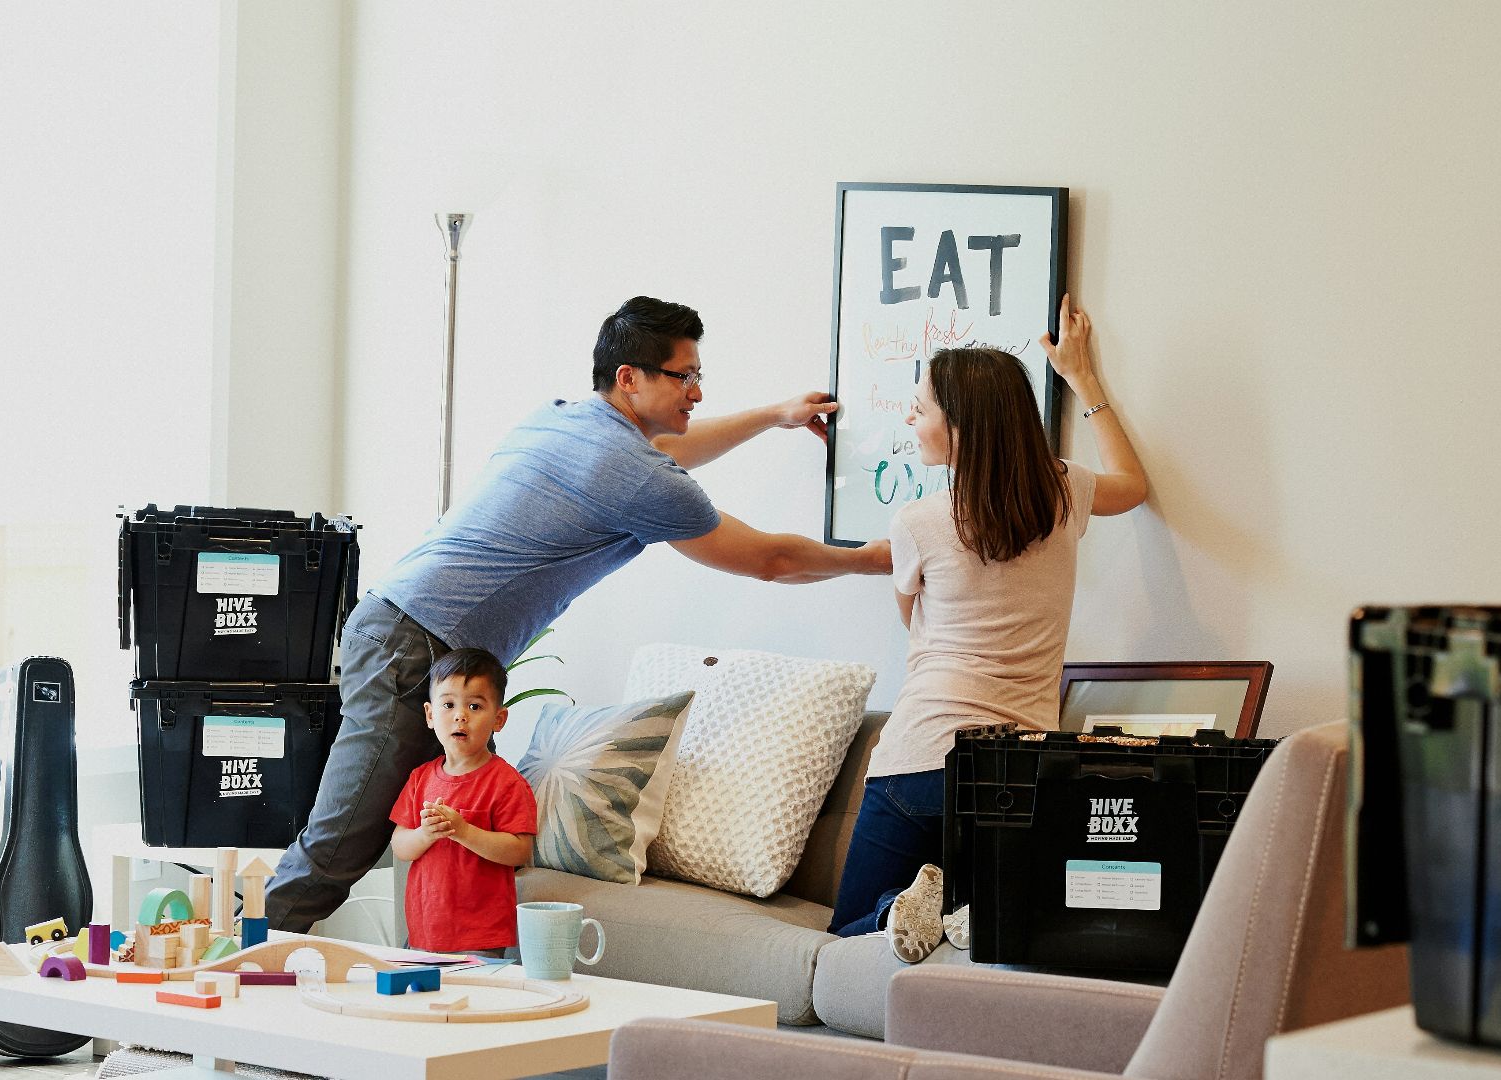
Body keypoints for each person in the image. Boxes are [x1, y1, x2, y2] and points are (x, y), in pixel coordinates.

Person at [266, 295, 892, 931]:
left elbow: (669, 451)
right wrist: (876, 558)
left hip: (394, 625)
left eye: (699, 377)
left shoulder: (564, 418)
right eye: (684, 377)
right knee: (341, 842)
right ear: (630, 378)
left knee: (342, 836)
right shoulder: (635, 474)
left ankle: (241, 960)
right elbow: (770, 560)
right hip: (416, 647)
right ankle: (230, 973)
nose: (696, 394)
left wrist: (772, 416)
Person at [827, 294, 1151, 963]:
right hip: (1020, 769)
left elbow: (912, 623)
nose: (911, 415)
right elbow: (1134, 485)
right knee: (999, 927)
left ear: (962, 424)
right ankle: (963, 909)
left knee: (851, 925)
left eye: (923, 405)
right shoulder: (1064, 493)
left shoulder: (918, 521)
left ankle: (917, 909)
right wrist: (1083, 379)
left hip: (918, 759)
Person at [388, 648, 537, 955]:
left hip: (481, 935)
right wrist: (426, 834)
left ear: (499, 718)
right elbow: (401, 846)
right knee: (421, 1000)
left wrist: (463, 830)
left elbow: (519, 850)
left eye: (474, 705)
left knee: (476, 1000)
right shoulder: (420, 778)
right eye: (448, 704)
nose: (460, 715)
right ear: (431, 715)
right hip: (425, 929)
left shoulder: (506, 783)